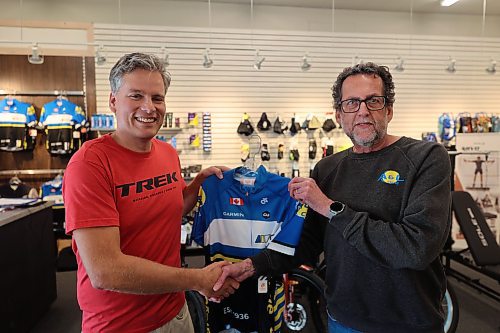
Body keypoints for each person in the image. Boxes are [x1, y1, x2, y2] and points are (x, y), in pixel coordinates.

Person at [215, 62, 452, 333]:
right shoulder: (327, 169)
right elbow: (305, 244)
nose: (362, 111)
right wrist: (248, 267)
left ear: (389, 110)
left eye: (373, 101)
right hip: (342, 319)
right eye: (351, 103)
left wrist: (329, 207)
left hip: (408, 323)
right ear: (339, 115)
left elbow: (416, 248)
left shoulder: (427, 157)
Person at [63, 52, 238, 333]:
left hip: (176, 312)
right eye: (136, 96)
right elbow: (105, 270)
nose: (149, 107)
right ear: (113, 101)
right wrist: (196, 280)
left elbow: (173, 207)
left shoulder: (167, 152)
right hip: (120, 324)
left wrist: (198, 185)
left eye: (157, 98)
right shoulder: (89, 165)